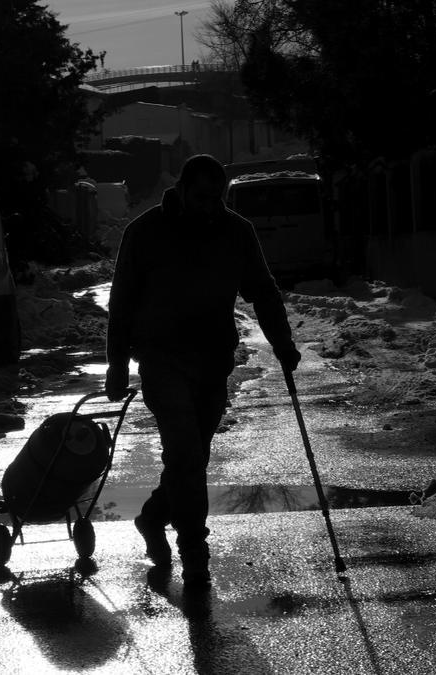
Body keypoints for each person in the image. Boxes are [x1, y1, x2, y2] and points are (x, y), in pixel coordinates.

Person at [105, 153, 302, 590]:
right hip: (161, 360)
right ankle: (194, 549)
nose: (210, 206)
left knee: (190, 460)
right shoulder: (145, 232)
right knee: (187, 455)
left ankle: (154, 516)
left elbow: (263, 292)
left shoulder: (236, 232)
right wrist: (116, 365)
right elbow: (121, 304)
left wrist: (283, 343)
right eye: (201, 197)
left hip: (213, 361)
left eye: (218, 198)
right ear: (180, 190)